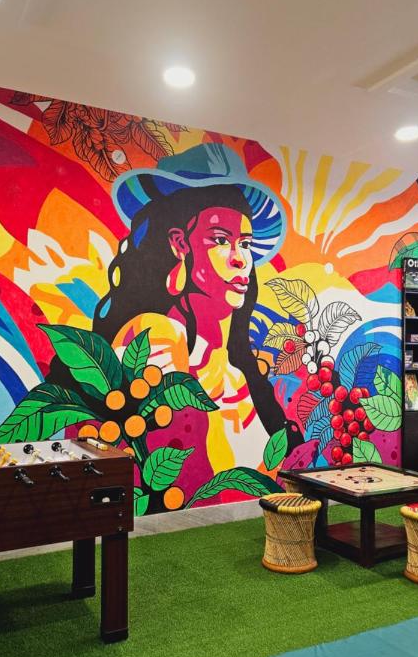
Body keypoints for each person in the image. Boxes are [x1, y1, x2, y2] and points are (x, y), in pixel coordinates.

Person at [92, 144, 300, 497]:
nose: (240, 259)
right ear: (180, 244)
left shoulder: (238, 374)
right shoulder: (157, 336)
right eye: (220, 240)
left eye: (245, 243)